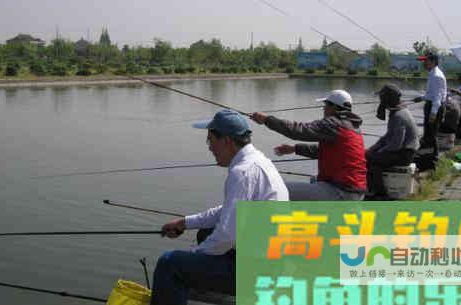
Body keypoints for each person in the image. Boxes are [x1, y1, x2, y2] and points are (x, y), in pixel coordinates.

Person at [150, 109, 289, 305]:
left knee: (169, 263)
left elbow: (227, 236)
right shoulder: (258, 161)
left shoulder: (242, 172)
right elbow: (227, 211)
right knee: (204, 234)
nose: (209, 147)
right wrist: (185, 223)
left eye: (210, 140)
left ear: (226, 141)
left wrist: (193, 256)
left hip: (259, 272)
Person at [251, 89, 366, 201]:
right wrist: (294, 149)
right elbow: (322, 151)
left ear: (334, 107)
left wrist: (267, 120)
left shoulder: (333, 124)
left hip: (341, 192)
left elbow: (298, 130)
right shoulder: (352, 127)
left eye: (325, 105)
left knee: (273, 189)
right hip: (354, 191)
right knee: (314, 180)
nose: (323, 108)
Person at [365, 84, 420, 199]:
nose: (380, 100)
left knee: (373, 162)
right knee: (370, 155)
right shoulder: (399, 111)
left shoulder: (398, 116)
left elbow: (395, 145)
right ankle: (373, 188)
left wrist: (378, 153)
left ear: (388, 99)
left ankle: (380, 194)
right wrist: (373, 148)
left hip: (405, 153)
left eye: (382, 97)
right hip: (403, 150)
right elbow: (387, 137)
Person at [413, 52, 447, 155]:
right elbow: (433, 94)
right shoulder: (433, 73)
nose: (424, 63)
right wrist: (422, 98)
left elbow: (437, 97)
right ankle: (427, 156)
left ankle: (433, 158)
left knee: (431, 134)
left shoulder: (436, 75)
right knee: (428, 134)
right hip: (432, 105)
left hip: (434, 107)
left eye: (426, 61)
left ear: (433, 62)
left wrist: (433, 113)